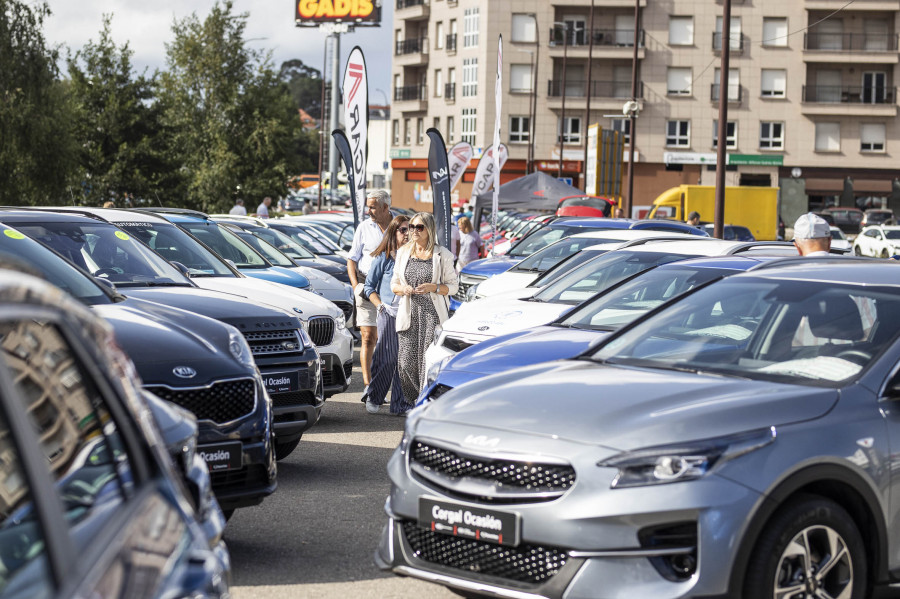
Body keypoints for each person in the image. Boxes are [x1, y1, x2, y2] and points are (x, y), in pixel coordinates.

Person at [391, 212, 459, 404]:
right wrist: (403, 289)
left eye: (419, 227)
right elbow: (393, 284)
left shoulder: (442, 254)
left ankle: (422, 403)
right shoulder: (404, 252)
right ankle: (414, 399)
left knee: (427, 363)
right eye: (411, 227)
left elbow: (453, 287)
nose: (414, 231)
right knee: (405, 363)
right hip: (409, 313)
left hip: (433, 315)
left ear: (429, 230)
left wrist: (434, 288)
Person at [361, 215, 410, 415]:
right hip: (388, 312)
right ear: (394, 232)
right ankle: (374, 396)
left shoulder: (414, 256)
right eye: (403, 230)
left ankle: (400, 404)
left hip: (408, 313)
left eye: (410, 229)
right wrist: (379, 305)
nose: (408, 234)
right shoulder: (384, 257)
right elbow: (368, 286)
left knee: (404, 360)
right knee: (387, 358)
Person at [348, 190, 394, 387]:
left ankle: (387, 381)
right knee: (368, 337)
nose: (369, 211)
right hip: (366, 286)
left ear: (385, 207)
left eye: (372, 207)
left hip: (392, 290)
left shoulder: (400, 226)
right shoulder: (364, 228)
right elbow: (352, 258)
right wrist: (356, 286)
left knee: (388, 340)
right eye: (368, 206)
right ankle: (369, 386)